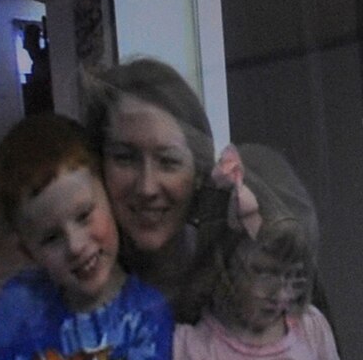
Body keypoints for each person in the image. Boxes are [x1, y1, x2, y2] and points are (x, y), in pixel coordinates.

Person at [0, 114, 174, 360]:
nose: (75, 246)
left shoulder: (148, 314)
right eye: (50, 238)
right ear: (28, 252)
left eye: (84, 215)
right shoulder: (14, 306)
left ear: (111, 199)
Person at [83, 56, 257, 323]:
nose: (146, 187)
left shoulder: (258, 267)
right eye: (125, 158)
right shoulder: (75, 288)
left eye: (168, 162)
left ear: (199, 172)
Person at [169, 144, 342, 360]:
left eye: (295, 276)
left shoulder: (312, 329)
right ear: (223, 260)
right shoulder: (196, 351)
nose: (282, 295)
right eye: (265, 273)